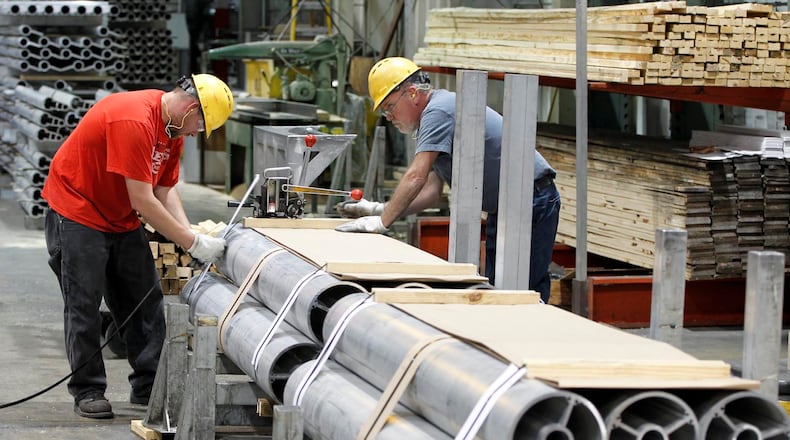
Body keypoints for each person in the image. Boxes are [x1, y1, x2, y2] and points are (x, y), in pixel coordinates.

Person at [41, 74, 234, 419]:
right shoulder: (135, 119)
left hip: (120, 216)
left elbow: (164, 190)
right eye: (200, 127)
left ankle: (148, 387)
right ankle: (88, 389)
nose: (196, 134)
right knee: (84, 303)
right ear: (192, 109)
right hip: (78, 211)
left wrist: (190, 234)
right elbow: (143, 200)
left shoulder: (172, 129)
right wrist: (191, 242)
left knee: (144, 299)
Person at [335, 57, 560, 301]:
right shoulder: (432, 117)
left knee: (523, 291)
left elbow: (416, 177)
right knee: (500, 289)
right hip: (506, 206)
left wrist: (382, 222)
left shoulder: (438, 112)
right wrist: (379, 209)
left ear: (412, 94)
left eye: (389, 107)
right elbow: (431, 191)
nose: (389, 116)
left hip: (531, 199)